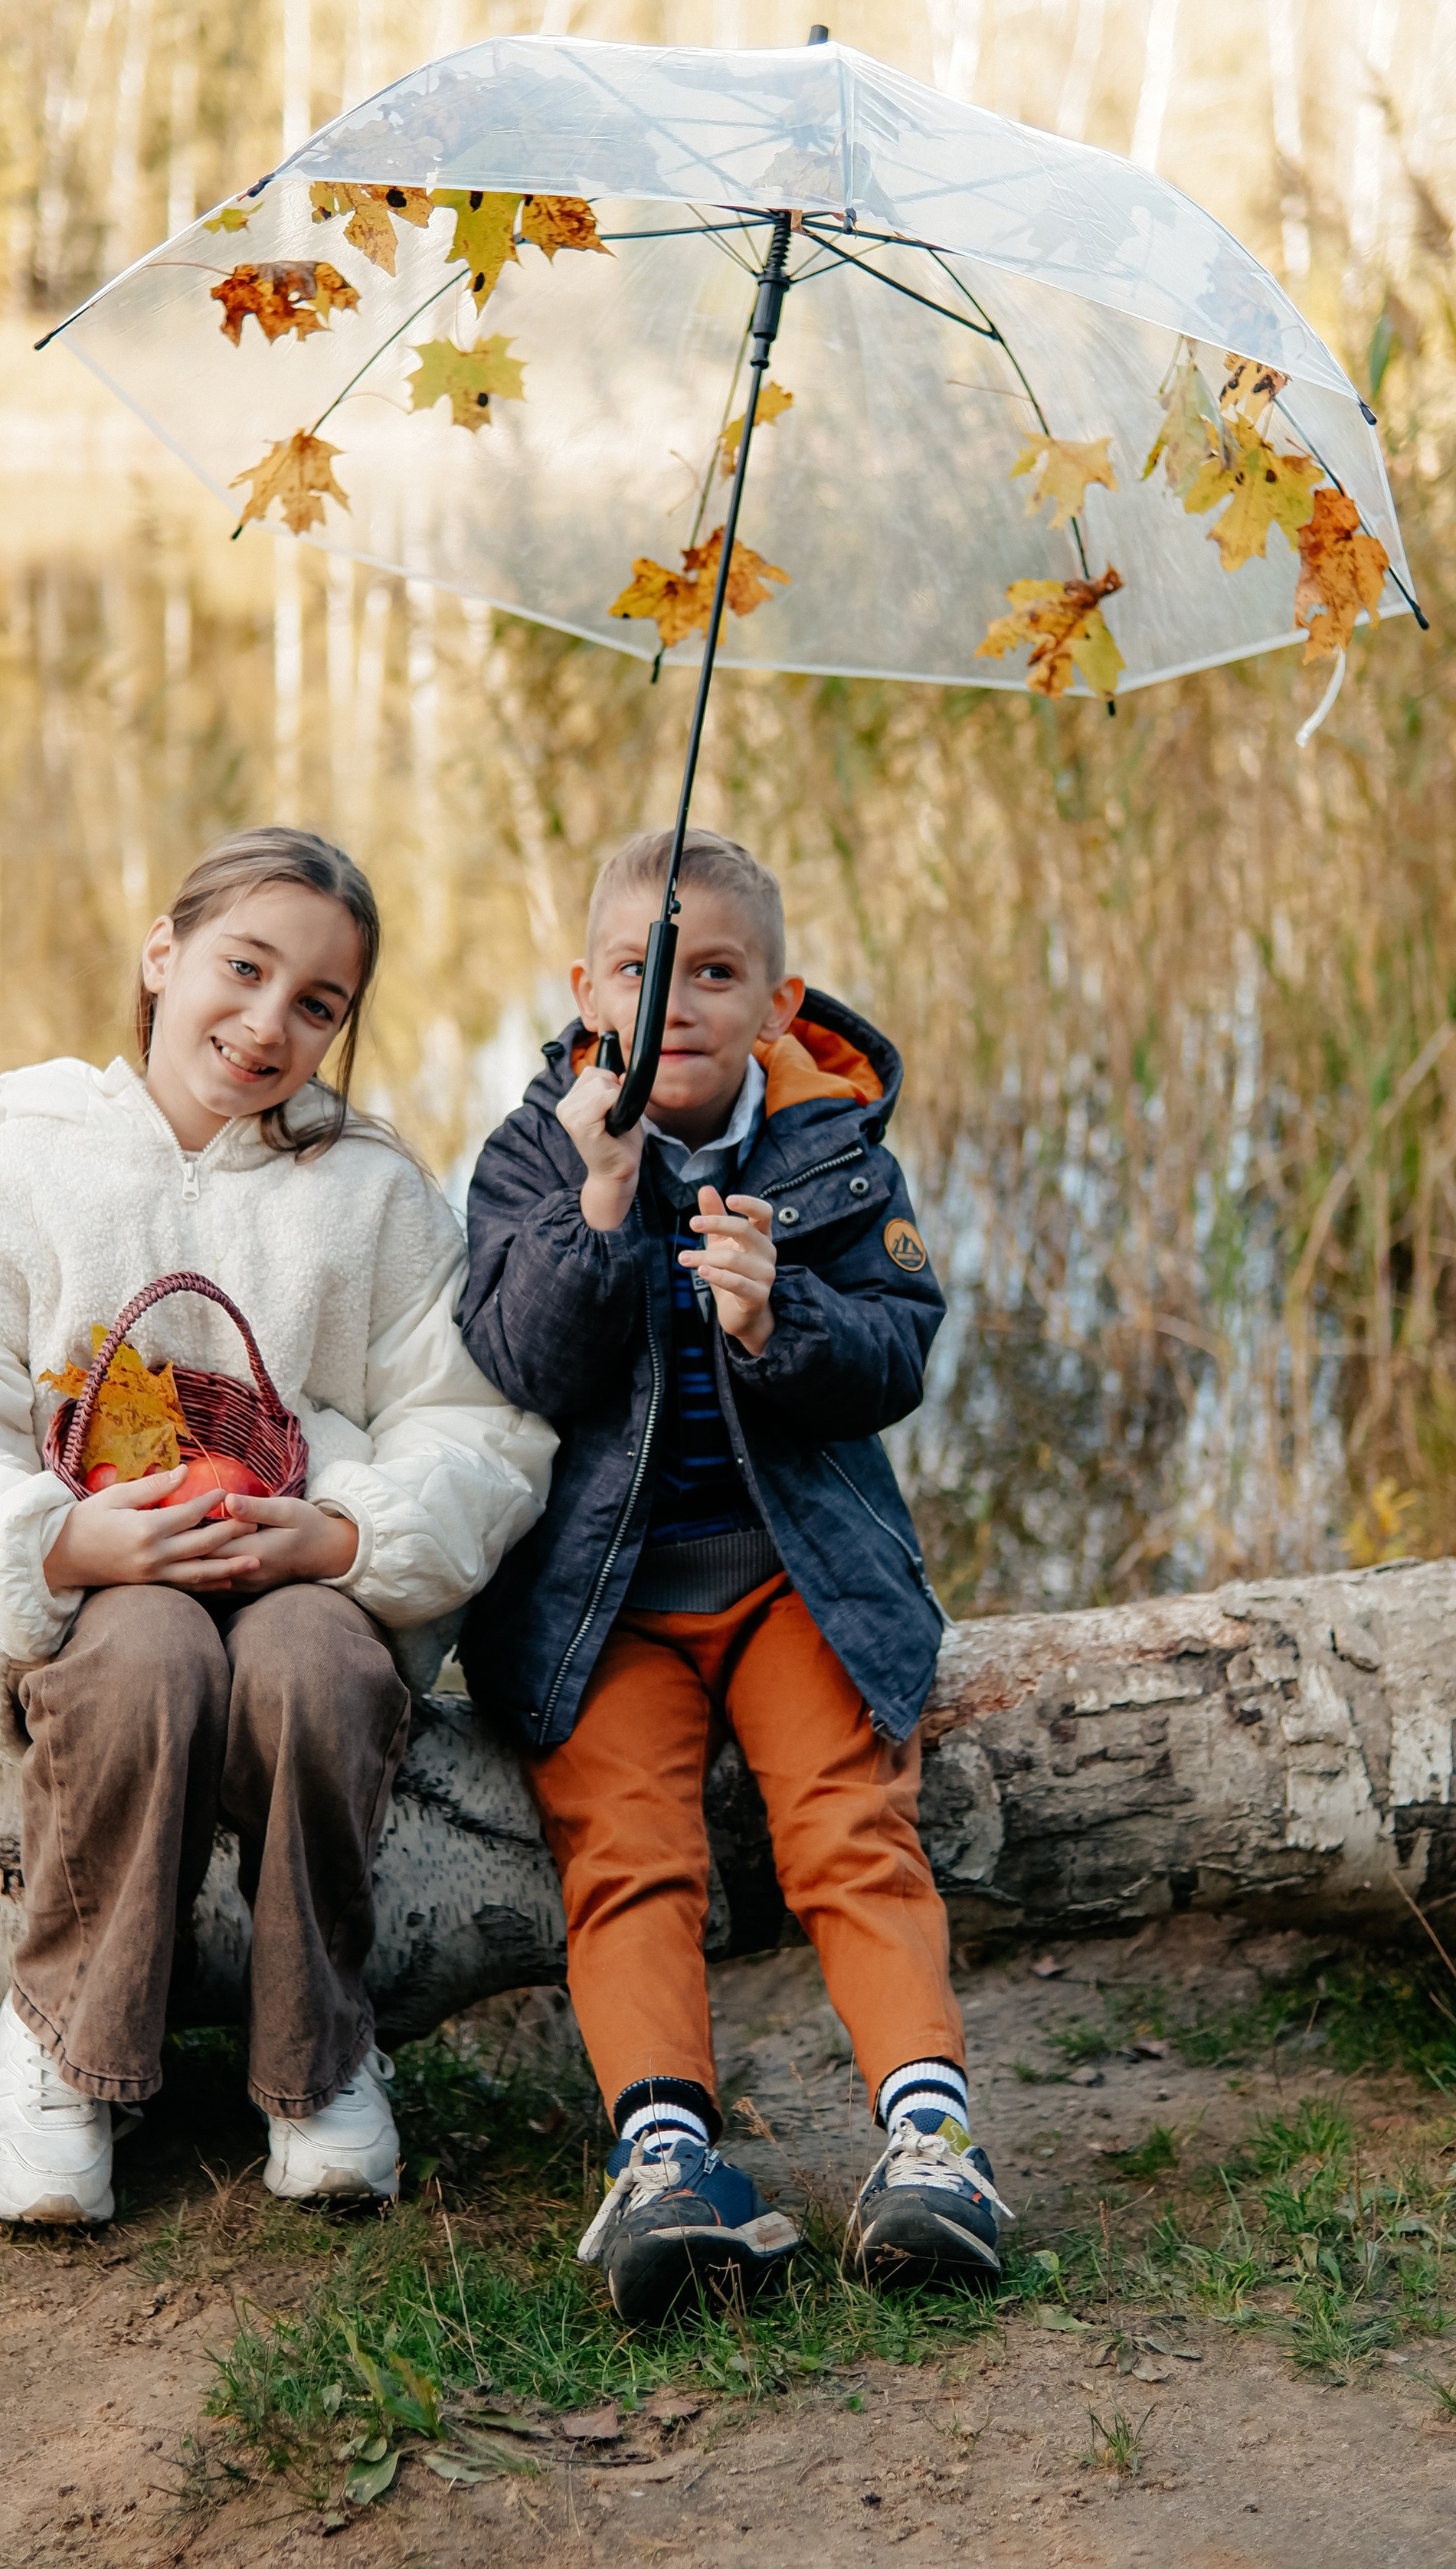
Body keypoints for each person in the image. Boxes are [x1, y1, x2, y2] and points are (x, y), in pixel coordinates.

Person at [0, 826, 554, 2227]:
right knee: (149, 1659)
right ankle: (66, 2049)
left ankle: (320, 2058)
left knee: (320, 1670)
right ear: (162, 957)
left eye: (318, 1003)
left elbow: (477, 1424)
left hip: (300, 1576)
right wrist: (58, 1542)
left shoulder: (375, 1197)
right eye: (243, 966)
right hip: (103, 1598)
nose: (266, 1023)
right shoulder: (18, 1180)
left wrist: (345, 1537)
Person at [459, 827, 1009, 2322]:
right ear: (585, 990)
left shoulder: (830, 1149)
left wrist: (784, 1327)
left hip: (792, 1579)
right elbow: (515, 1359)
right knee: (627, 1851)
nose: (674, 1002)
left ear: (779, 1000)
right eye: (642, 969)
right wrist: (596, 1206)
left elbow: (895, 1356)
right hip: (604, 1598)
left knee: (848, 1827)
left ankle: (932, 2143)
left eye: (714, 972)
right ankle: (663, 2162)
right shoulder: (530, 1150)